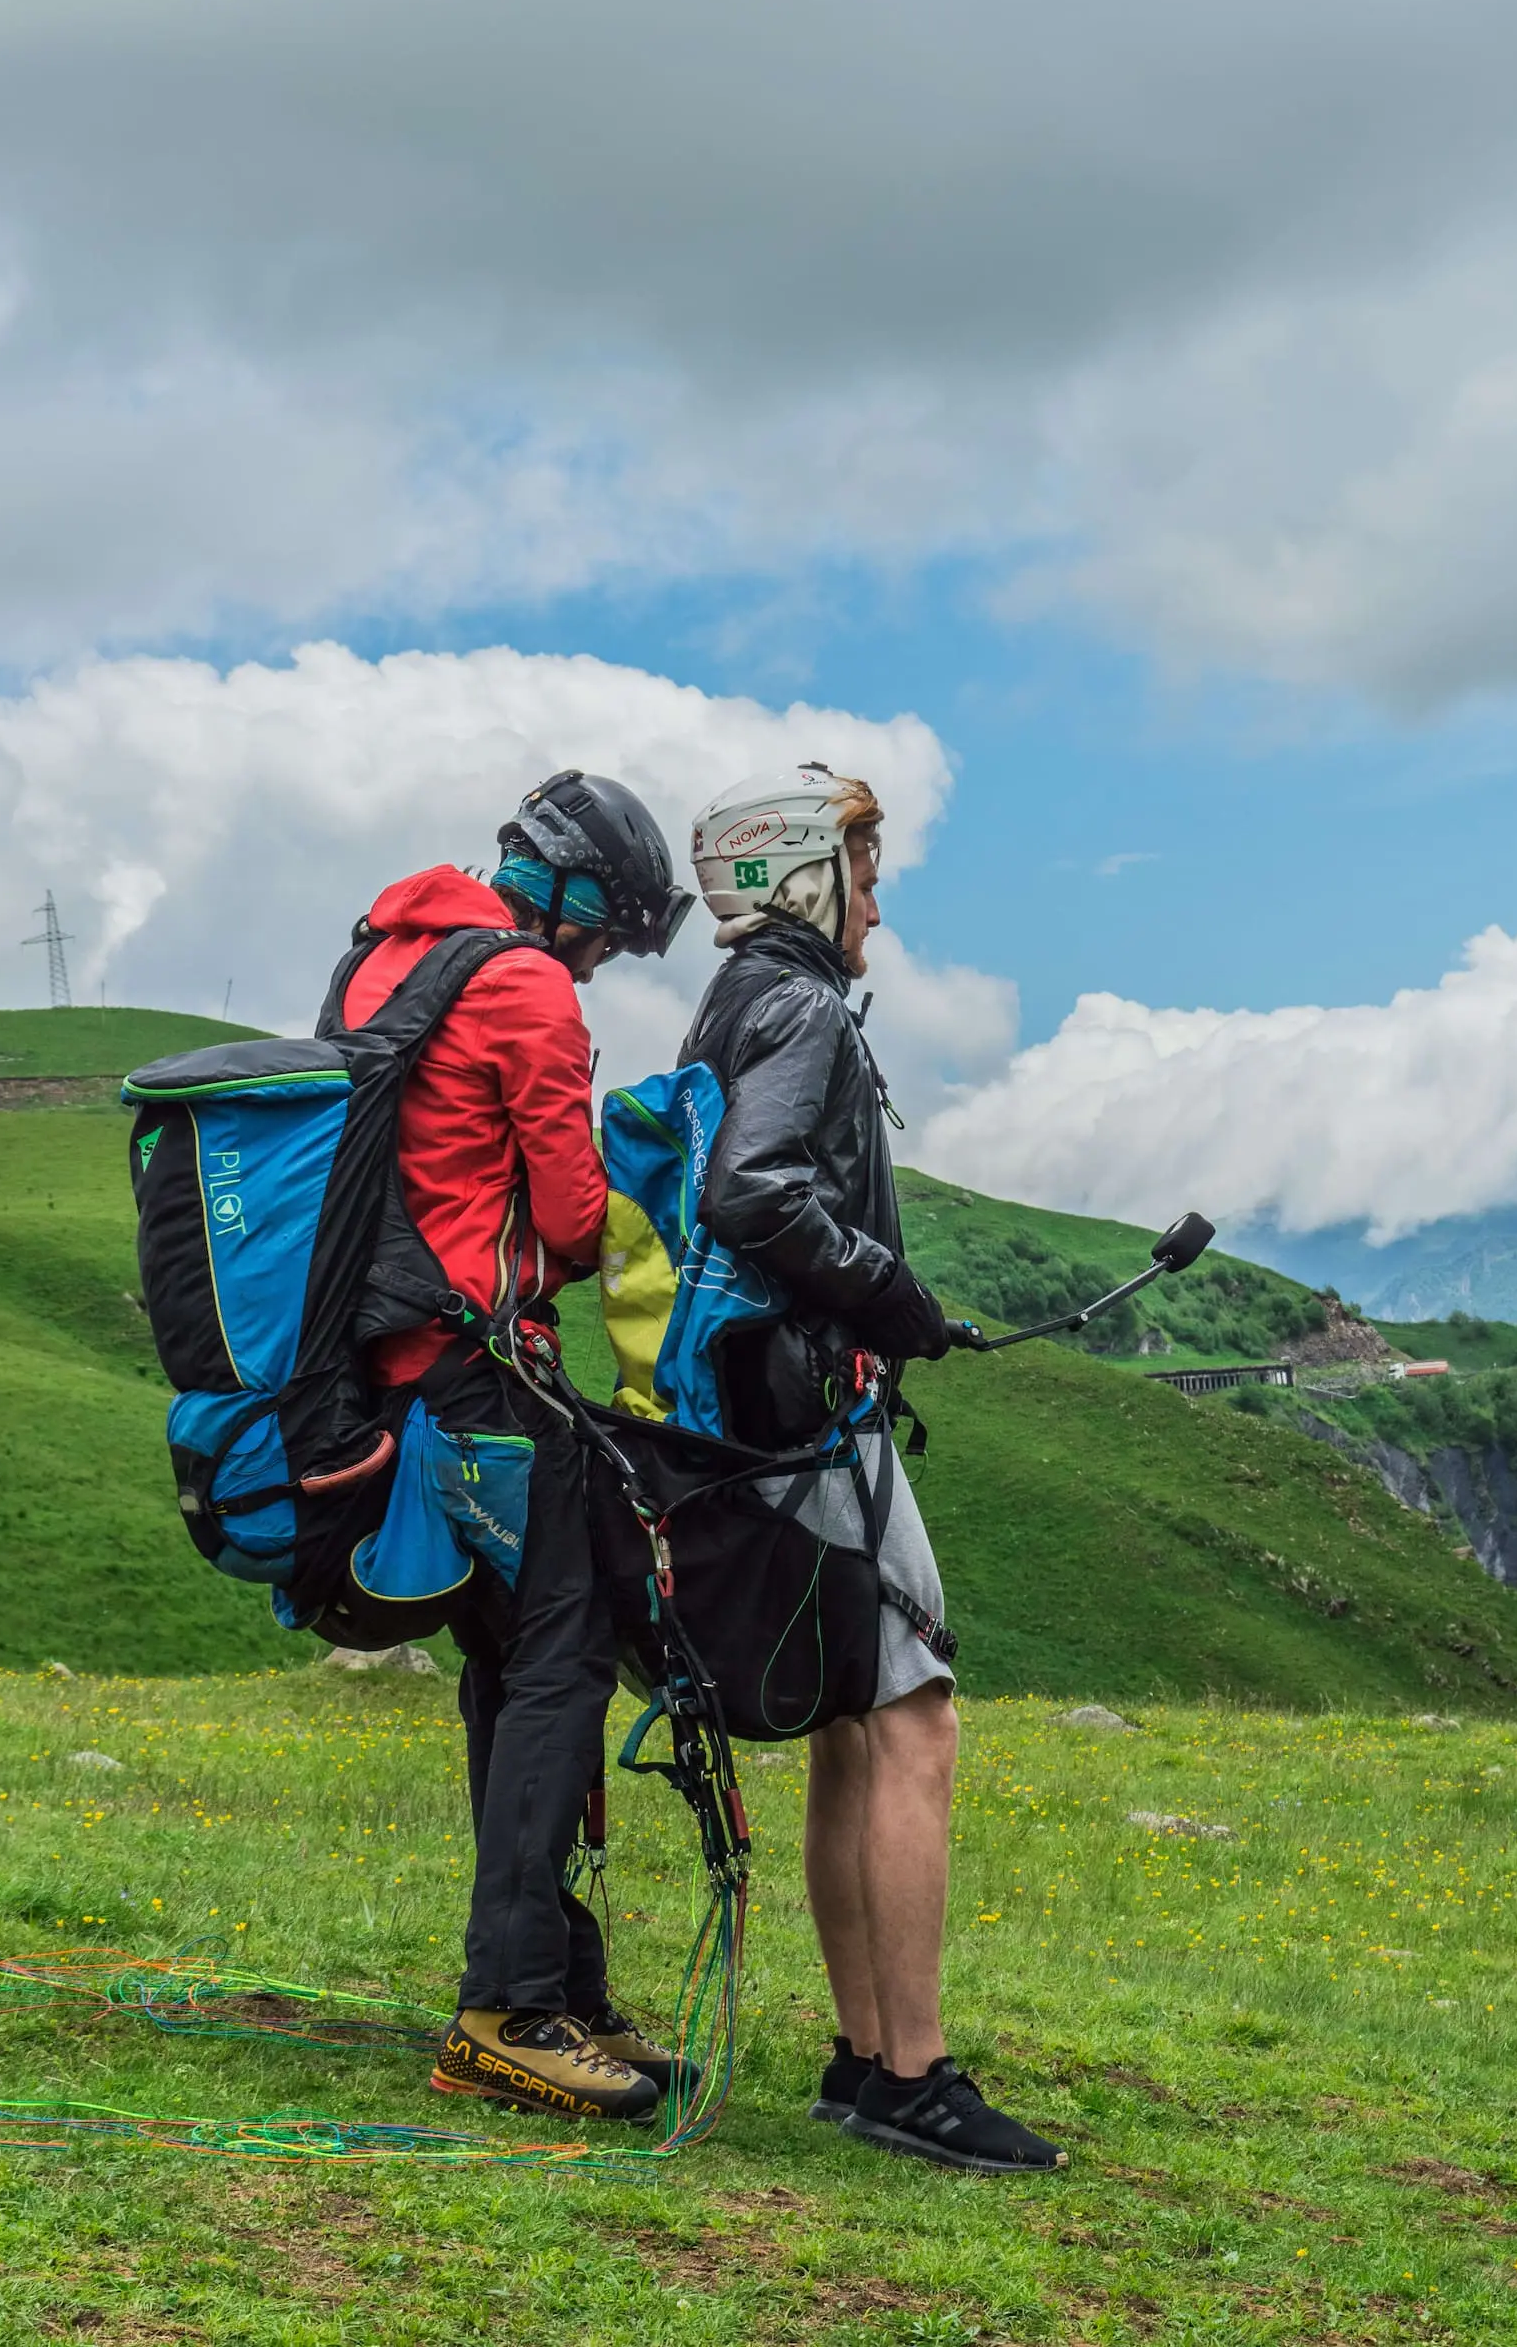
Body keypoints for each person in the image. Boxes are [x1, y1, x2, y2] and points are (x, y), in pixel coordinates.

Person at [683, 762, 1067, 2176]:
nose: (878, 909)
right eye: (867, 871)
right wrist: (890, 1301)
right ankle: (913, 2073)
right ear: (805, 875)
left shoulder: (734, 1002)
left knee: (854, 1727)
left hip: (751, 1413)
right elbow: (755, 1190)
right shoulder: (802, 1011)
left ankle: (860, 2060)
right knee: (917, 1725)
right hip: (814, 1412)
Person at [341, 769, 694, 2122]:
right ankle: (511, 2011)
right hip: (479, 1372)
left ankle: (561, 1988)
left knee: (507, 1660)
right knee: (563, 1653)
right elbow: (565, 1206)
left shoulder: (386, 959)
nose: (601, 966)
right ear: (578, 898)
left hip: (386, 1376)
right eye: (609, 937)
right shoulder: (525, 986)